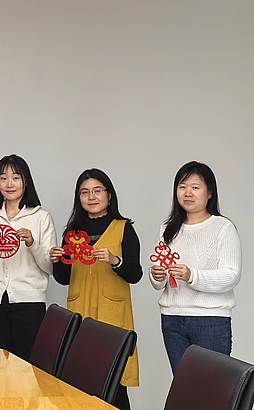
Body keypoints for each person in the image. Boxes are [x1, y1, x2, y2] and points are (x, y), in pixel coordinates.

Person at [50, 169, 141, 410]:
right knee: (81, 381)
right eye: (85, 192)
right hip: (81, 312)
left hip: (113, 316)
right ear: (78, 198)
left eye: (97, 190)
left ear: (109, 196)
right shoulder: (72, 234)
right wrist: (57, 261)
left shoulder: (124, 228)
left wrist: (115, 261)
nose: (91, 197)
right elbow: (63, 279)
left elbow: (135, 274)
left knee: (114, 382)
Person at [149, 161, 241, 374]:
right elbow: (159, 281)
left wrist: (192, 275)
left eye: (195, 187)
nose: (187, 193)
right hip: (171, 317)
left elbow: (232, 275)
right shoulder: (168, 228)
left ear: (209, 193)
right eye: (182, 187)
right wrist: (157, 276)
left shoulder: (223, 227)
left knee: (212, 384)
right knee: (184, 385)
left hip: (210, 319)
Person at [0, 155, 56, 361]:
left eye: (15, 178)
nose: (9, 184)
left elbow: (50, 267)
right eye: (3, 178)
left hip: (29, 302)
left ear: (26, 181)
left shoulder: (41, 217)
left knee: (25, 364)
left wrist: (32, 243)